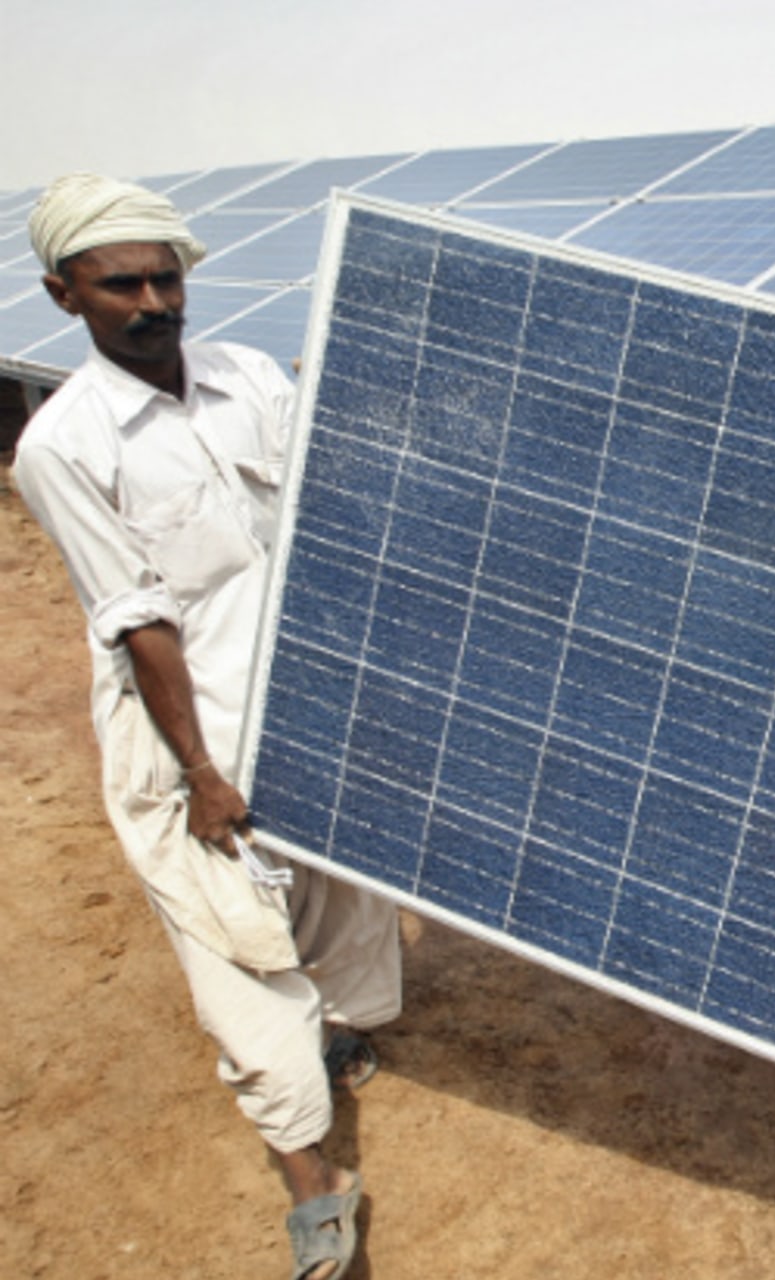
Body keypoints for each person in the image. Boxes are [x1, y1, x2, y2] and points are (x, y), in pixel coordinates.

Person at [12, 173, 403, 1280]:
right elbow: (136, 618)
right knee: (234, 943)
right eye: (119, 282)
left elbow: (322, 507)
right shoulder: (64, 444)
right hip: (192, 729)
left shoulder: (241, 378)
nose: (151, 298)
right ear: (62, 295)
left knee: (340, 887)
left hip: (310, 692)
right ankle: (313, 1179)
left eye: (165, 275)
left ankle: (334, 1031)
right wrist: (201, 768)